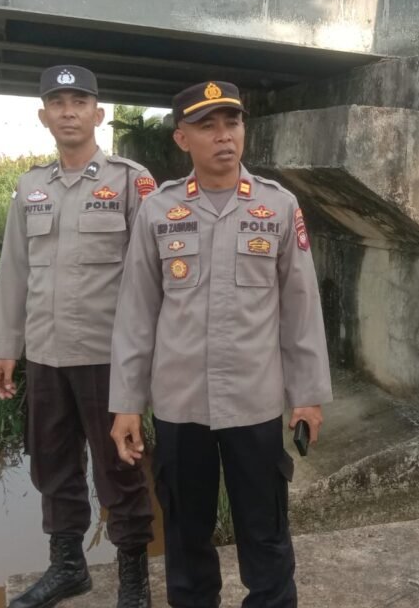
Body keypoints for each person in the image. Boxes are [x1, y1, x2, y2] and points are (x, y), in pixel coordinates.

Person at [109, 80, 332, 608]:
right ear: (182, 138)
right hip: (180, 405)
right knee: (186, 538)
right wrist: (125, 405)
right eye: (207, 126)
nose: (223, 136)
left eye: (231, 122)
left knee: (267, 533)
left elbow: (301, 308)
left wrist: (307, 395)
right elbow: (136, 312)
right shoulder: (158, 210)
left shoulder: (277, 207)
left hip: (254, 404)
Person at [0, 65, 157, 608]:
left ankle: (133, 579)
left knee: (119, 469)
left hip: (108, 359)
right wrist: (7, 346)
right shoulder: (31, 186)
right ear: (44, 116)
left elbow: (150, 276)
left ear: (98, 114)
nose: (69, 111)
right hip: (48, 356)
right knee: (51, 464)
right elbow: (15, 270)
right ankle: (68, 568)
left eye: (79, 101)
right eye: (57, 103)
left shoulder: (131, 180)